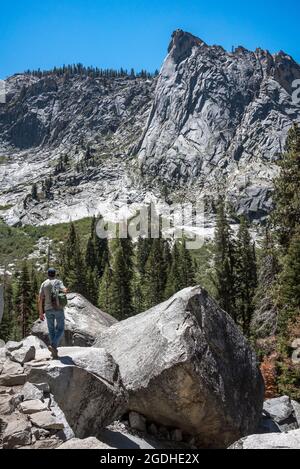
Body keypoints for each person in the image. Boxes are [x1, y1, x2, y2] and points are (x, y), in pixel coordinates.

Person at [38, 268, 68, 359]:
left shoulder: (44, 284)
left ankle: (53, 352)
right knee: (61, 328)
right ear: (55, 274)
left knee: (51, 330)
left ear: (48, 274)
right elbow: (64, 291)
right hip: (58, 309)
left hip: (47, 310)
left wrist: (40, 313)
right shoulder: (58, 282)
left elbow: (40, 299)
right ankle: (54, 345)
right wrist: (65, 289)